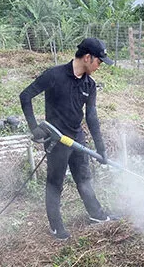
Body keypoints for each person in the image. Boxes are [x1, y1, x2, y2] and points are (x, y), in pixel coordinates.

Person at [20, 37, 114, 240]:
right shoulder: (54, 75)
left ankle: (96, 214)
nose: (100, 66)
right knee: (55, 183)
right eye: (99, 61)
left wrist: (101, 149)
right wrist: (34, 128)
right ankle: (56, 227)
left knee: (84, 178)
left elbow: (92, 117)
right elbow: (25, 96)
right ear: (88, 57)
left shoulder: (89, 84)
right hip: (57, 139)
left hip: (77, 137)